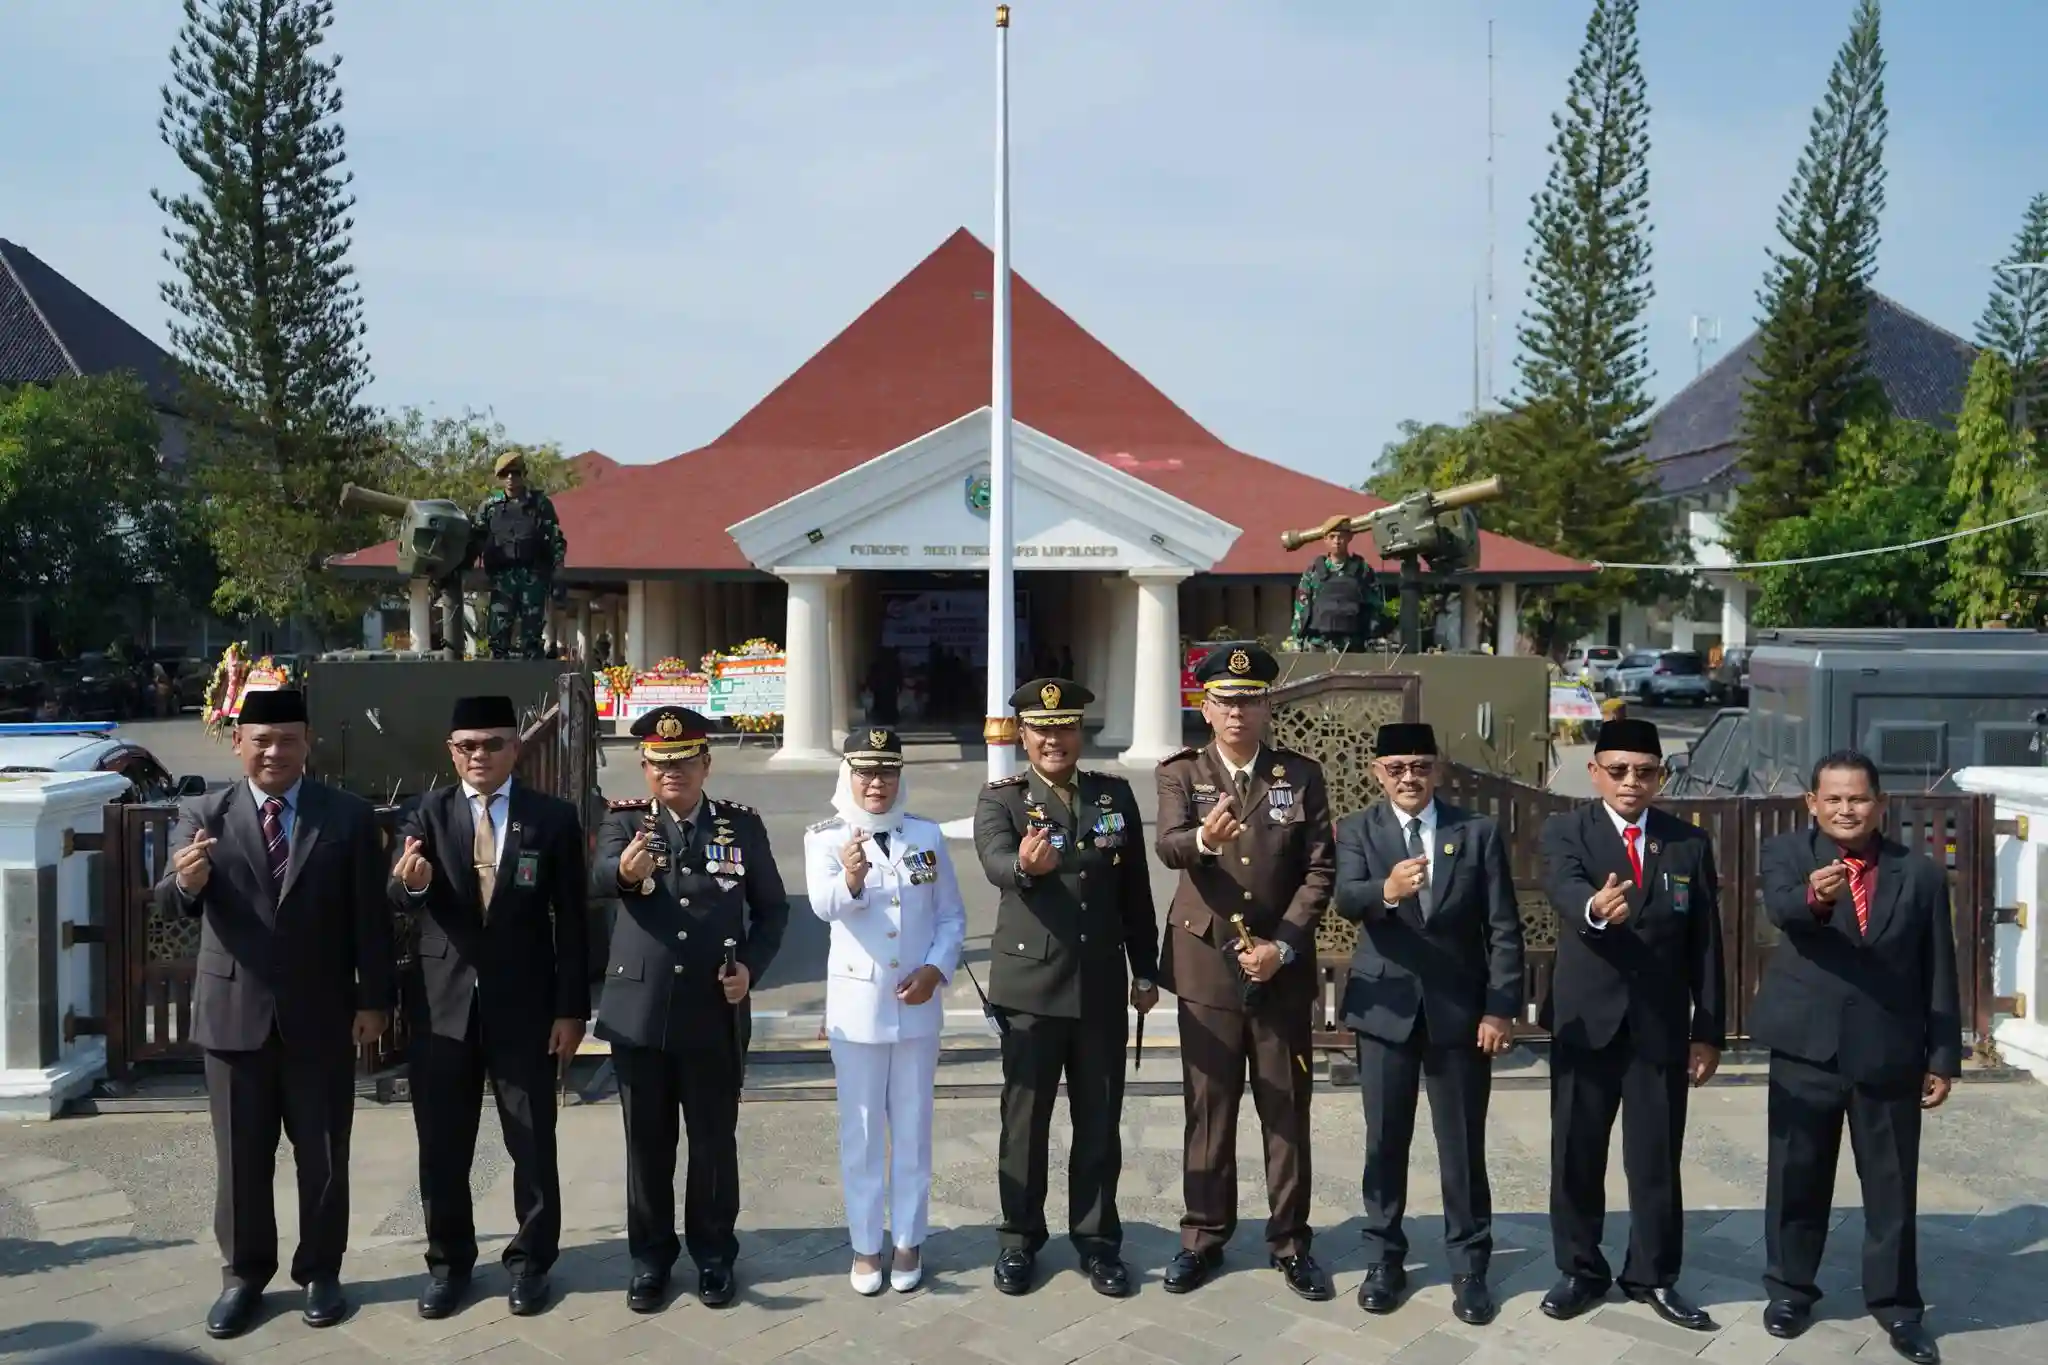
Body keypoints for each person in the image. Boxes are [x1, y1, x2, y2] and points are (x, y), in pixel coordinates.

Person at [151, 689, 394, 1340]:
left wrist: (375, 999)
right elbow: (167, 903)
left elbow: (370, 916)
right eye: (261, 739)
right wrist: (187, 882)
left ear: (307, 742)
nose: (274, 751)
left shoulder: (344, 815)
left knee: (321, 1154)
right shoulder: (204, 812)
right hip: (234, 1017)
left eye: (287, 738)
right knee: (241, 1158)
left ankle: (321, 1269)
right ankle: (244, 1275)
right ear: (239, 743)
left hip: (322, 1014)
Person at [1752, 751, 1959, 1365]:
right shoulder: (1789, 856)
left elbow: (1939, 971)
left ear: (1881, 805)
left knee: (1892, 1187)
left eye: (1859, 798)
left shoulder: (1917, 874)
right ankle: (1790, 1291)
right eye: (1834, 799)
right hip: (1806, 1046)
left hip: (1889, 1053)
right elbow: (1782, 909)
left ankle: (1897, 1306)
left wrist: (1942, 1056)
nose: (1847, 809)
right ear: (1811, 803)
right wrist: (1816, 898)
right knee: (1796, 1178)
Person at [389, 695, 590, 1319]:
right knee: (443, 1143)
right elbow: (398, 892)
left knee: (532, 1140)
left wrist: (570, 1010)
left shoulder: (552, 819)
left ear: (515, 749)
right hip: (441, 1008)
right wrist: (412, 884)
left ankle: (532, 1262)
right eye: (467, 745)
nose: (480, 755)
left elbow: (575, 923)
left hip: (526, 1006)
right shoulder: (425, 811)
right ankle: (448, 1264)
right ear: (451, 751)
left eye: (493, 744)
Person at [590, 706, 787, 1312]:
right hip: (641, 1010)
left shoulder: (740, 826)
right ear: (644, 768)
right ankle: (650, 1259)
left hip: (712, 1007)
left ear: (705, 763)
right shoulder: (623, 825)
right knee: (646, 1145)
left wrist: (750, 969)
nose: (671, 773)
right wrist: (625, 873)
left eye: (683, 762)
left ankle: (713, 1254)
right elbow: (600, 877)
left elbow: (774, 910)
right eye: (659, 764)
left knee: (712, 1141)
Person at [1153, 645, 1335, 1301]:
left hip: (1279, 969)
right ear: (1207, 706)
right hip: (1207, 965)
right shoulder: (1182, 772)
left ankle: (1291, 1241)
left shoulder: (1301, 774)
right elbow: (1169, 842)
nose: (1237, 711)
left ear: (1267, 705)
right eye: (1225, 699)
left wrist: (1282, 946)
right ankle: (1203, 1237)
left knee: (1285, 1108)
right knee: (1208, 1109)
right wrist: (1204, 838)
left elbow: (1320, 869)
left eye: (1249, 698)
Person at [1332, 722, 1523, 1325]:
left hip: (1459, 1015)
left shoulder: (1476, 832)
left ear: (1437, 769)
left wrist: (1499, 1007)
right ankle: (1384, 1258)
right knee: (1385, 1141)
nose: (1408, 777)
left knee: (1462, 1147)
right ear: (1376, 772)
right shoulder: (1360, 829)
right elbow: (1345, 897)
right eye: (1396, 767)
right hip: (1384, 1010)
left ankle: (1469, 1266)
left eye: (1419, 765)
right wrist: (1386, 891)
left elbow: (1502, 927)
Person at [1537, 717, 1725, 1332]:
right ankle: (1580, 1270)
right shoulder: (1568, 831)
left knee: (1654, 1161)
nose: (1630, 782)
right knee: (1576, 1155)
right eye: (1617, 770)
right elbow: (1563, 887)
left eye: (1644, 771)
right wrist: (1594, 906)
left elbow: (1706, 945)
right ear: (1594, 773)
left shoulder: (1687, 843)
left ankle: (1654, 1274)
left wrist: (1709, 1031)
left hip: (1659, 1029)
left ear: (1660, 777)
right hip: (1586, 1026)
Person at [973, 677, 1158, 1298]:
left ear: (1081, 733)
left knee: (1100, 1121)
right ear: (1023, 735)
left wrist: (1147, 968)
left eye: (1066, 727)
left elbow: (1135, 891)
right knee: (1025, 1122)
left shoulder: (1113, 795)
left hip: (1101, 983)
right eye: (1042, 730)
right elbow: (996, 859)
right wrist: (1023, 867)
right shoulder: (1002, 797)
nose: (1055, 739)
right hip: (1031, 987)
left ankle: (1098, 1242)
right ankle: (1019, 1239)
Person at [804, 726, 966, 1296]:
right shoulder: (825, 838)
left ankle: (909, 1239)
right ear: (848, 774)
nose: (877, 784)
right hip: (858, 1007)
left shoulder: (925, 835)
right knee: (864, 1130)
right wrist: (850, 877)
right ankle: (867, 1244)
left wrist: (936, 968)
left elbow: (951, 916)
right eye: (866, 772)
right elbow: (823, 908)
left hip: (917, 1006)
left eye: (888, 772)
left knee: (914, 1128)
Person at [471, 450, 566, 660]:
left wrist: (558, 572)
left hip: (533, 576)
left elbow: (555, 539)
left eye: (515, 473)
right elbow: (476, 540)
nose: (511, 478)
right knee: (498, 637)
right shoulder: (489, 507)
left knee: (532, 638)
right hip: (502, 579)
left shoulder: (540, 504)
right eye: (506, 474)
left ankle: (534, 685)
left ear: (523, 474)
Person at [1289, 517, 1383, 651]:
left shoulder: (1363, 571)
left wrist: (1373, 637)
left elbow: (1375, 606)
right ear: (1325, 539)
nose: (1337, 541)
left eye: (1341, 537)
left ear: (1350, 538)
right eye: (1332, 537)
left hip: (1353, 645)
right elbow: (1302, 607)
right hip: (1318, 644)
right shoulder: (1314, 571)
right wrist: (1297, 639)